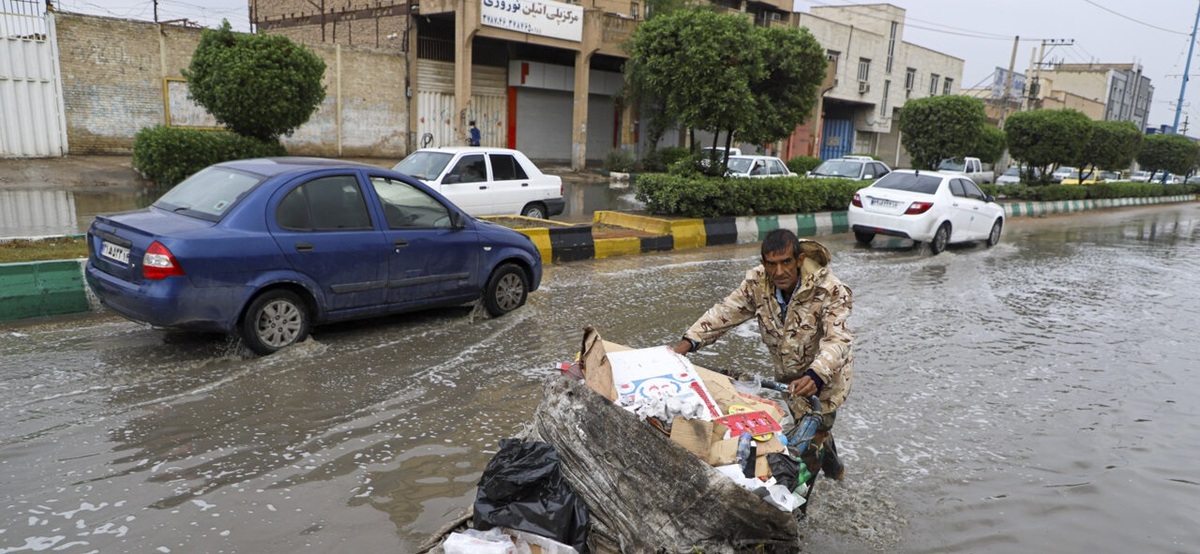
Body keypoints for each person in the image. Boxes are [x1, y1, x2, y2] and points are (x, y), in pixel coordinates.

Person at [671, 228, 854, 483]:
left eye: (786, 263)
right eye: (772, 264)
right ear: (763, 263)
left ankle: (797, 505)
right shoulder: (758, 283)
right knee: (810, 428)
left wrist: (817, 374)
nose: (779, 272)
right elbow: (726, 312)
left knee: (808, 444)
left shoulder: (830, 290)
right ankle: (835, 468)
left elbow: (838, 339)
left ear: (799, 260)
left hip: (825, 379)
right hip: (789, 379)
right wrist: (687, 343)